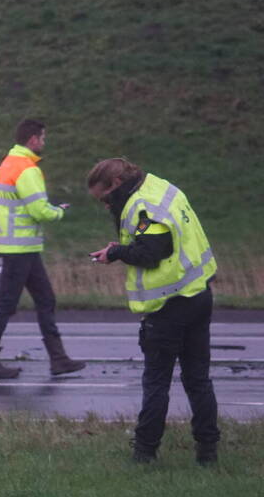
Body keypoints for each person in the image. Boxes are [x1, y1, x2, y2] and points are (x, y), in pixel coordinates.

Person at [87, 158, 219, 465]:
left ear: (116, 184)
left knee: (157, 382)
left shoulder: (142, 205)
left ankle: (144, 453)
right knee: (198, 379)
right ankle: (208, 452)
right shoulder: (159, 186)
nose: (107, 207)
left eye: (106, 199)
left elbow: (152, 253)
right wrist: (123, 246)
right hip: (199, 293)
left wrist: (117, 252)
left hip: (169, 304)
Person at [0, 119, 86, 378]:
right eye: (43, 138)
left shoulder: (7, 164)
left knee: (45, 299)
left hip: (20, 245)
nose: (44, 143)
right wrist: (58, 212)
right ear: (33, 139)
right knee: (6, 304)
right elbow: (39, 210)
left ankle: (58, 359)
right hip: (19, 247)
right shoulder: (26, 168)